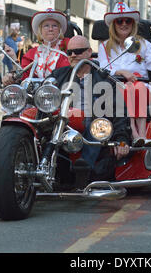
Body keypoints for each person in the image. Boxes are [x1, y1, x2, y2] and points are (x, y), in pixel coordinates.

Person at [97, 2, 151, 147]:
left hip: (141, 88)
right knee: (129, 88)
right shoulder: (104, 47)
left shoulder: (143, 44)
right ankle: (134, 131)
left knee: (136, 88)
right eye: (119, 21)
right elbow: (102, 69)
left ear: (133, 23)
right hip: (114, 89)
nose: (124, 24)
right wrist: (120, 72)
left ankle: (141, 134)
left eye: (128, 21)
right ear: (114, 24)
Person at [48, 35, 131, 187]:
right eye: (70, 52)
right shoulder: (57, 75)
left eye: (78, 51)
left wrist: (122, 139)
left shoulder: (104, 79)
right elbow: (43, 95)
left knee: (99, 123)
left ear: (88, 52)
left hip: (93, 126)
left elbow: (119, 112)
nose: (73, 55)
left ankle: (83, 168)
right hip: (63, 125)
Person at [2, 9, 70, 86]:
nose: (50, 29)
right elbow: (23, 77)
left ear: (59, 30)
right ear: (40, 30)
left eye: (54, 26)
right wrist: (13, 58)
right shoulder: (31, 53)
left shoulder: (69, 45)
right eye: (46, 26)